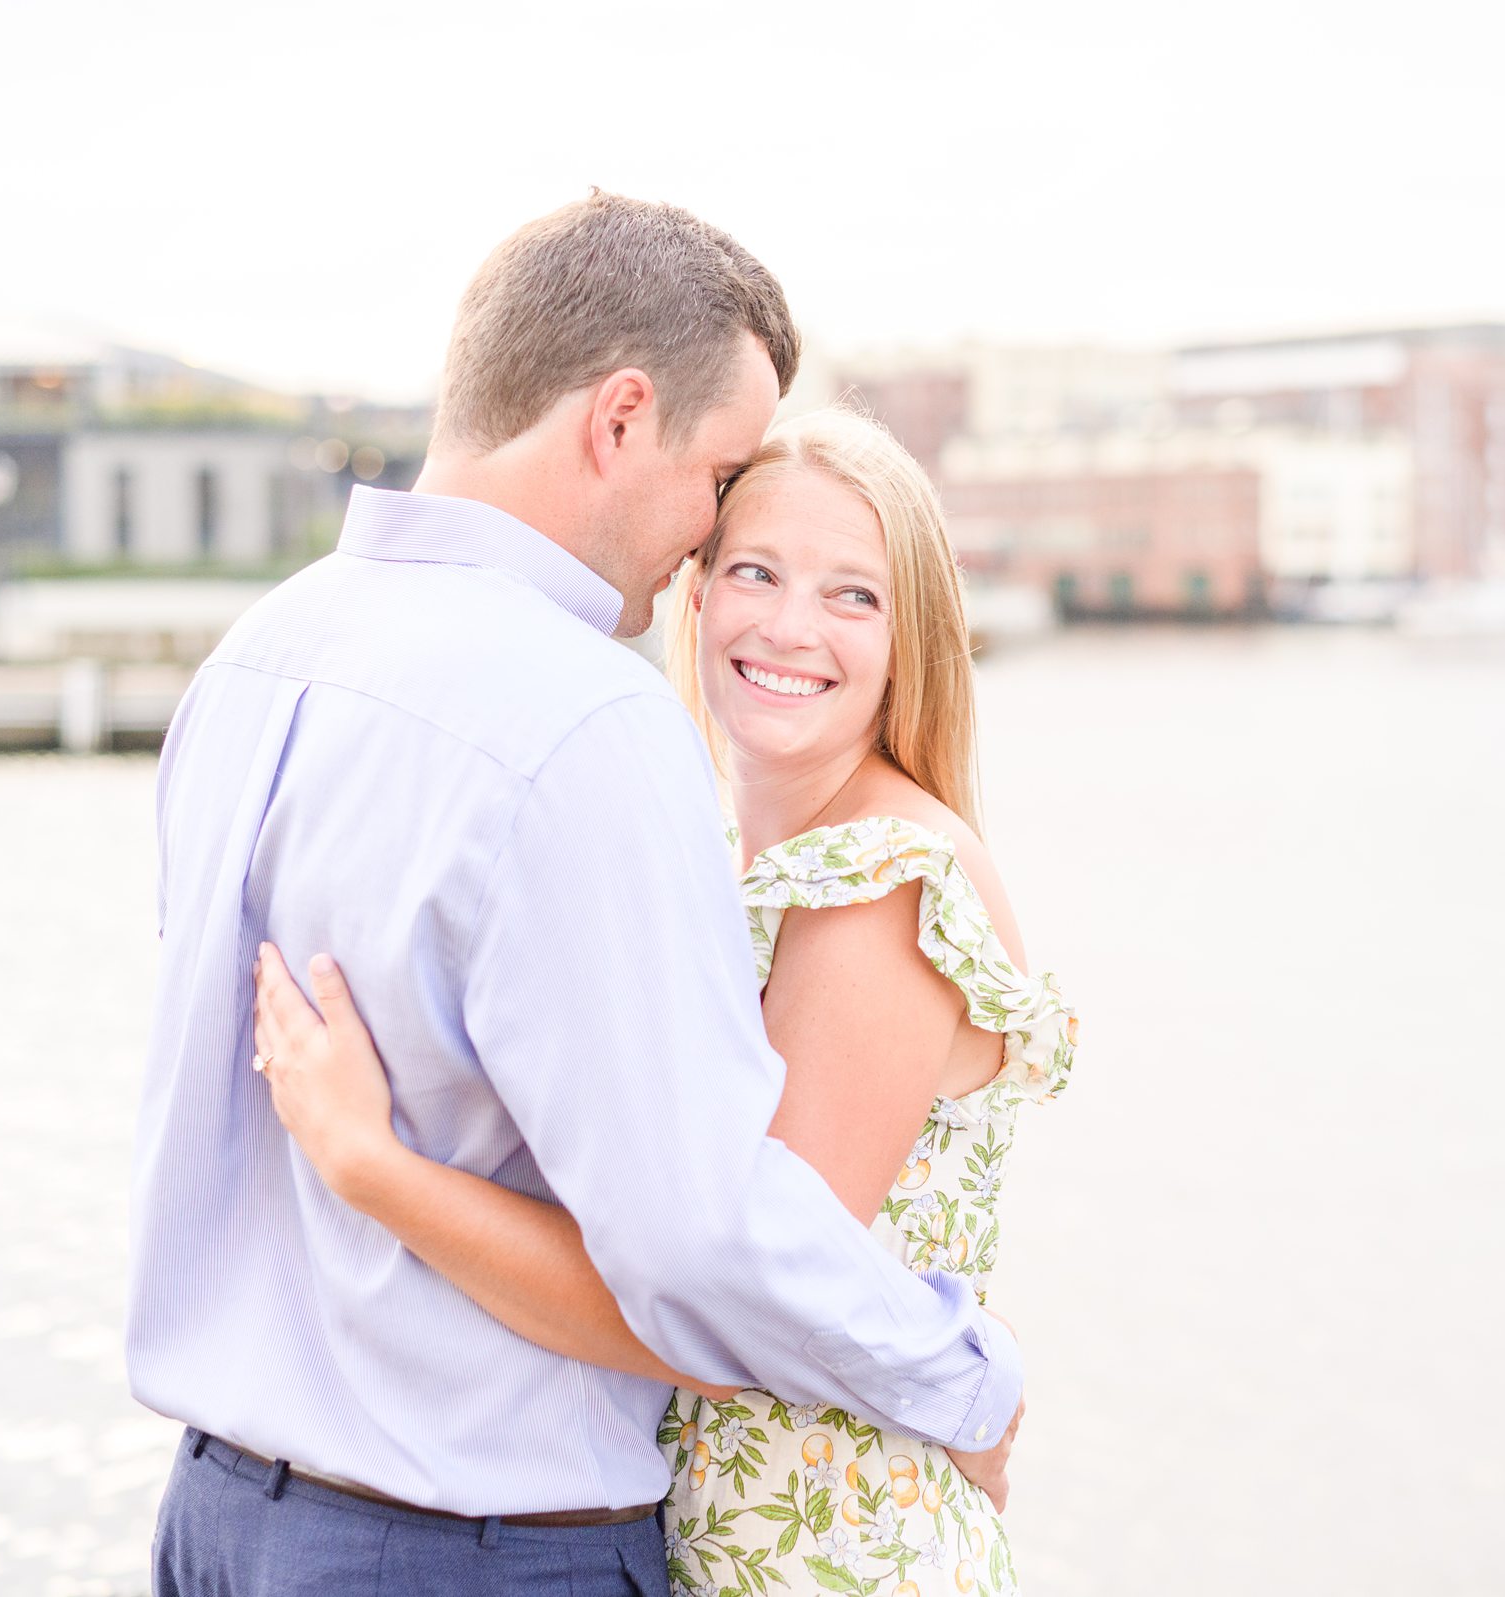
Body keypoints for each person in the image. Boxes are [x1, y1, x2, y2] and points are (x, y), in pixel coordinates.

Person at [127, 195, 1027, 1597]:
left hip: (221, 1520)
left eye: (851, 593)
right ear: (618, 420)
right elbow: (698, 1241)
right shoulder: (582, 720)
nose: (705, 536)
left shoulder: (255, 655)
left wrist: (372, 1165)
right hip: (461, 1550)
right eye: (721, 484)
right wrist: (964, 1376)